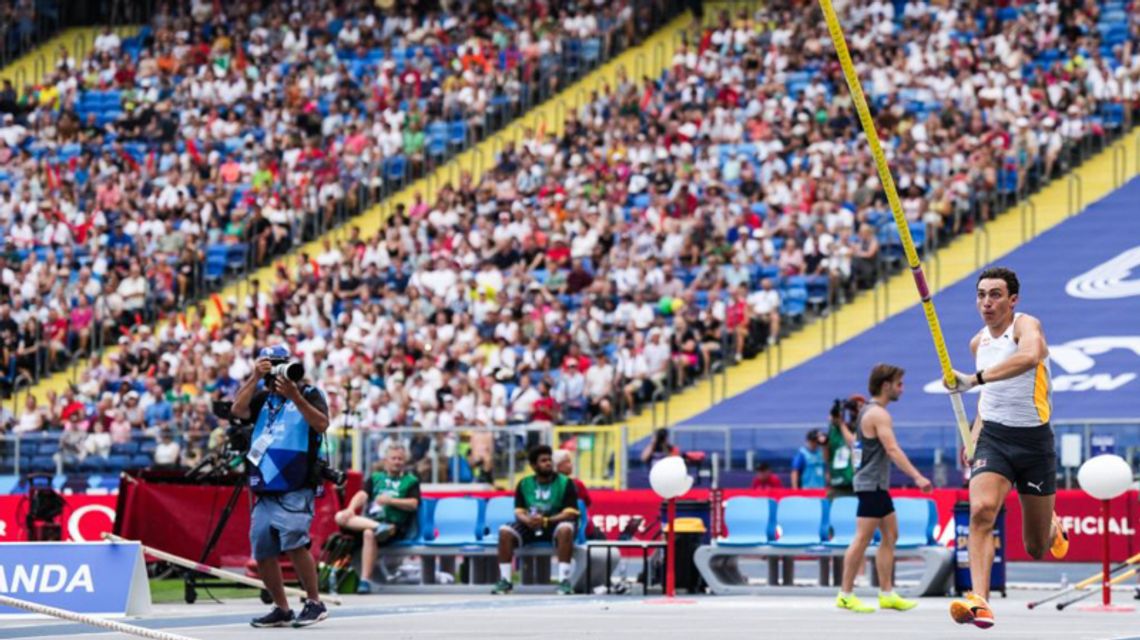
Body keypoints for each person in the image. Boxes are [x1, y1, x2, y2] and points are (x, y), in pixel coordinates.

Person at [946, 267, 1068, 630]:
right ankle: (980, 601)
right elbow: (989, 397)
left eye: (995, 294)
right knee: (982, 510)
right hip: (995, 439)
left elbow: (1030, 357)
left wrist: (973, 379)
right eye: (982, 294)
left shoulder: (1026, 326)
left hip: (1034, 443)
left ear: (1013, 300)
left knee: (1036, 546)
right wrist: (974, 434)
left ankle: (1052, 523)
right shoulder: (976, 343)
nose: (987, 301)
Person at [231, 345, 330, 628]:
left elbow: (322, 424)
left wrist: (295, 396)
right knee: (262, 548)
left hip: (297, 481)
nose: (277, 370)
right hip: (265, 484)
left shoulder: (309, 393)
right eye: (271, 364)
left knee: (295, 541)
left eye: (281, 364)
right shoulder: (262, 397)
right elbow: (237, 410)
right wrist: (253, 377)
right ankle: (282, 608)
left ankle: (314, 602)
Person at [836, 364, 932, 614]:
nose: (902, 388)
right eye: (899, 384)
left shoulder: (867, 411)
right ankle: (845, 594)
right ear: (886, 385)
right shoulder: (878, 414)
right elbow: (892, 450)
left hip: (875, 484)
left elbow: (859, 445)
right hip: (871, 484)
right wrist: (917, 477)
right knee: (862, 538)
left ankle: (887, 593)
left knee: (891, 535)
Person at [492, 445, 580, 595]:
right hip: (531, 526)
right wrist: (527, 520)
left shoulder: (565, 482)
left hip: (555, 525)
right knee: (504, 531)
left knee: (566, 528)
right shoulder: (524, 483)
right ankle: (505, 581)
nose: (548, 463)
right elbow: (519, 511)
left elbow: (571, 513)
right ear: (533, 466)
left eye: (549, 460)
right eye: (543, 460)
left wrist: (546, 520)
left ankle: (564, 581)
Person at [333, 444, 421, 593]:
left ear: (404, 461)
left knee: (368, 533)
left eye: (400, 459)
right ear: (386, 460)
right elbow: (362, 495)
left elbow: (413, 504)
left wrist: (390, 501)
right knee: (340, 516)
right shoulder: (375, 477)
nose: (397, 461)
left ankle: (365, 581)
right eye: (393, 458)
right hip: (373, 521)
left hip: (394, 526)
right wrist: (350, 509)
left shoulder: (411, 481)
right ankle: (376, 527)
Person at [825, 396, 863, 499]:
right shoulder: (837, 429)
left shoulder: (864, 427)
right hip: (837, 482)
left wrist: (841, 424)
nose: (855, 410)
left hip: (856, 483)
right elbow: (828, 456)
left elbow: (853, 444)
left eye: (859, 406)